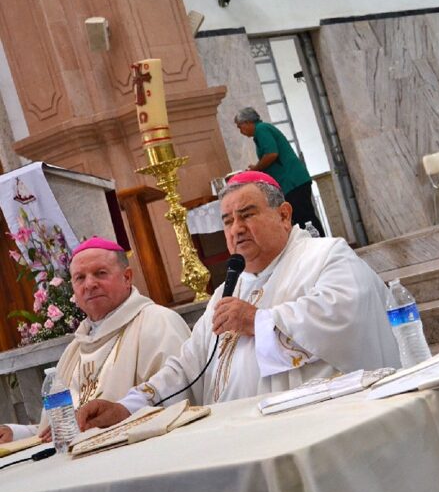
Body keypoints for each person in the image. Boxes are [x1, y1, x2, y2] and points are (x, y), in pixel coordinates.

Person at [78, 171, 399, 429]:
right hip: (239, 433)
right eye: (228, 221)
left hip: (318, 427)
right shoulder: (228, 290)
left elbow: (344, 316)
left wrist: (258, 321)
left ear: (284, 215)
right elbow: (190, 366)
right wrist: (128, 407)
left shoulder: (325, 256)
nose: (237, 228)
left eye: (247, 215)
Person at [0, 237, 190, 443]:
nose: (90, 284)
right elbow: (62, 429)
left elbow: (177, 405)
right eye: (80, 278)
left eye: (100, 273)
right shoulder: (76, 348)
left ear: (127, 277)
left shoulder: (158, 323)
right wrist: (17, 434)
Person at [235, 106, 325, 236]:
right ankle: (314, 247)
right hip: (291, 181)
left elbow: (271, 154)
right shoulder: (262, 130)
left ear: (248, 122)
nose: (240, 131)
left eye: (240, 126)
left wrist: (255, 169)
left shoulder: (261, 129)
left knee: (305, 217)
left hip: (292, 181)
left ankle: (320, 245)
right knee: (301, 217)